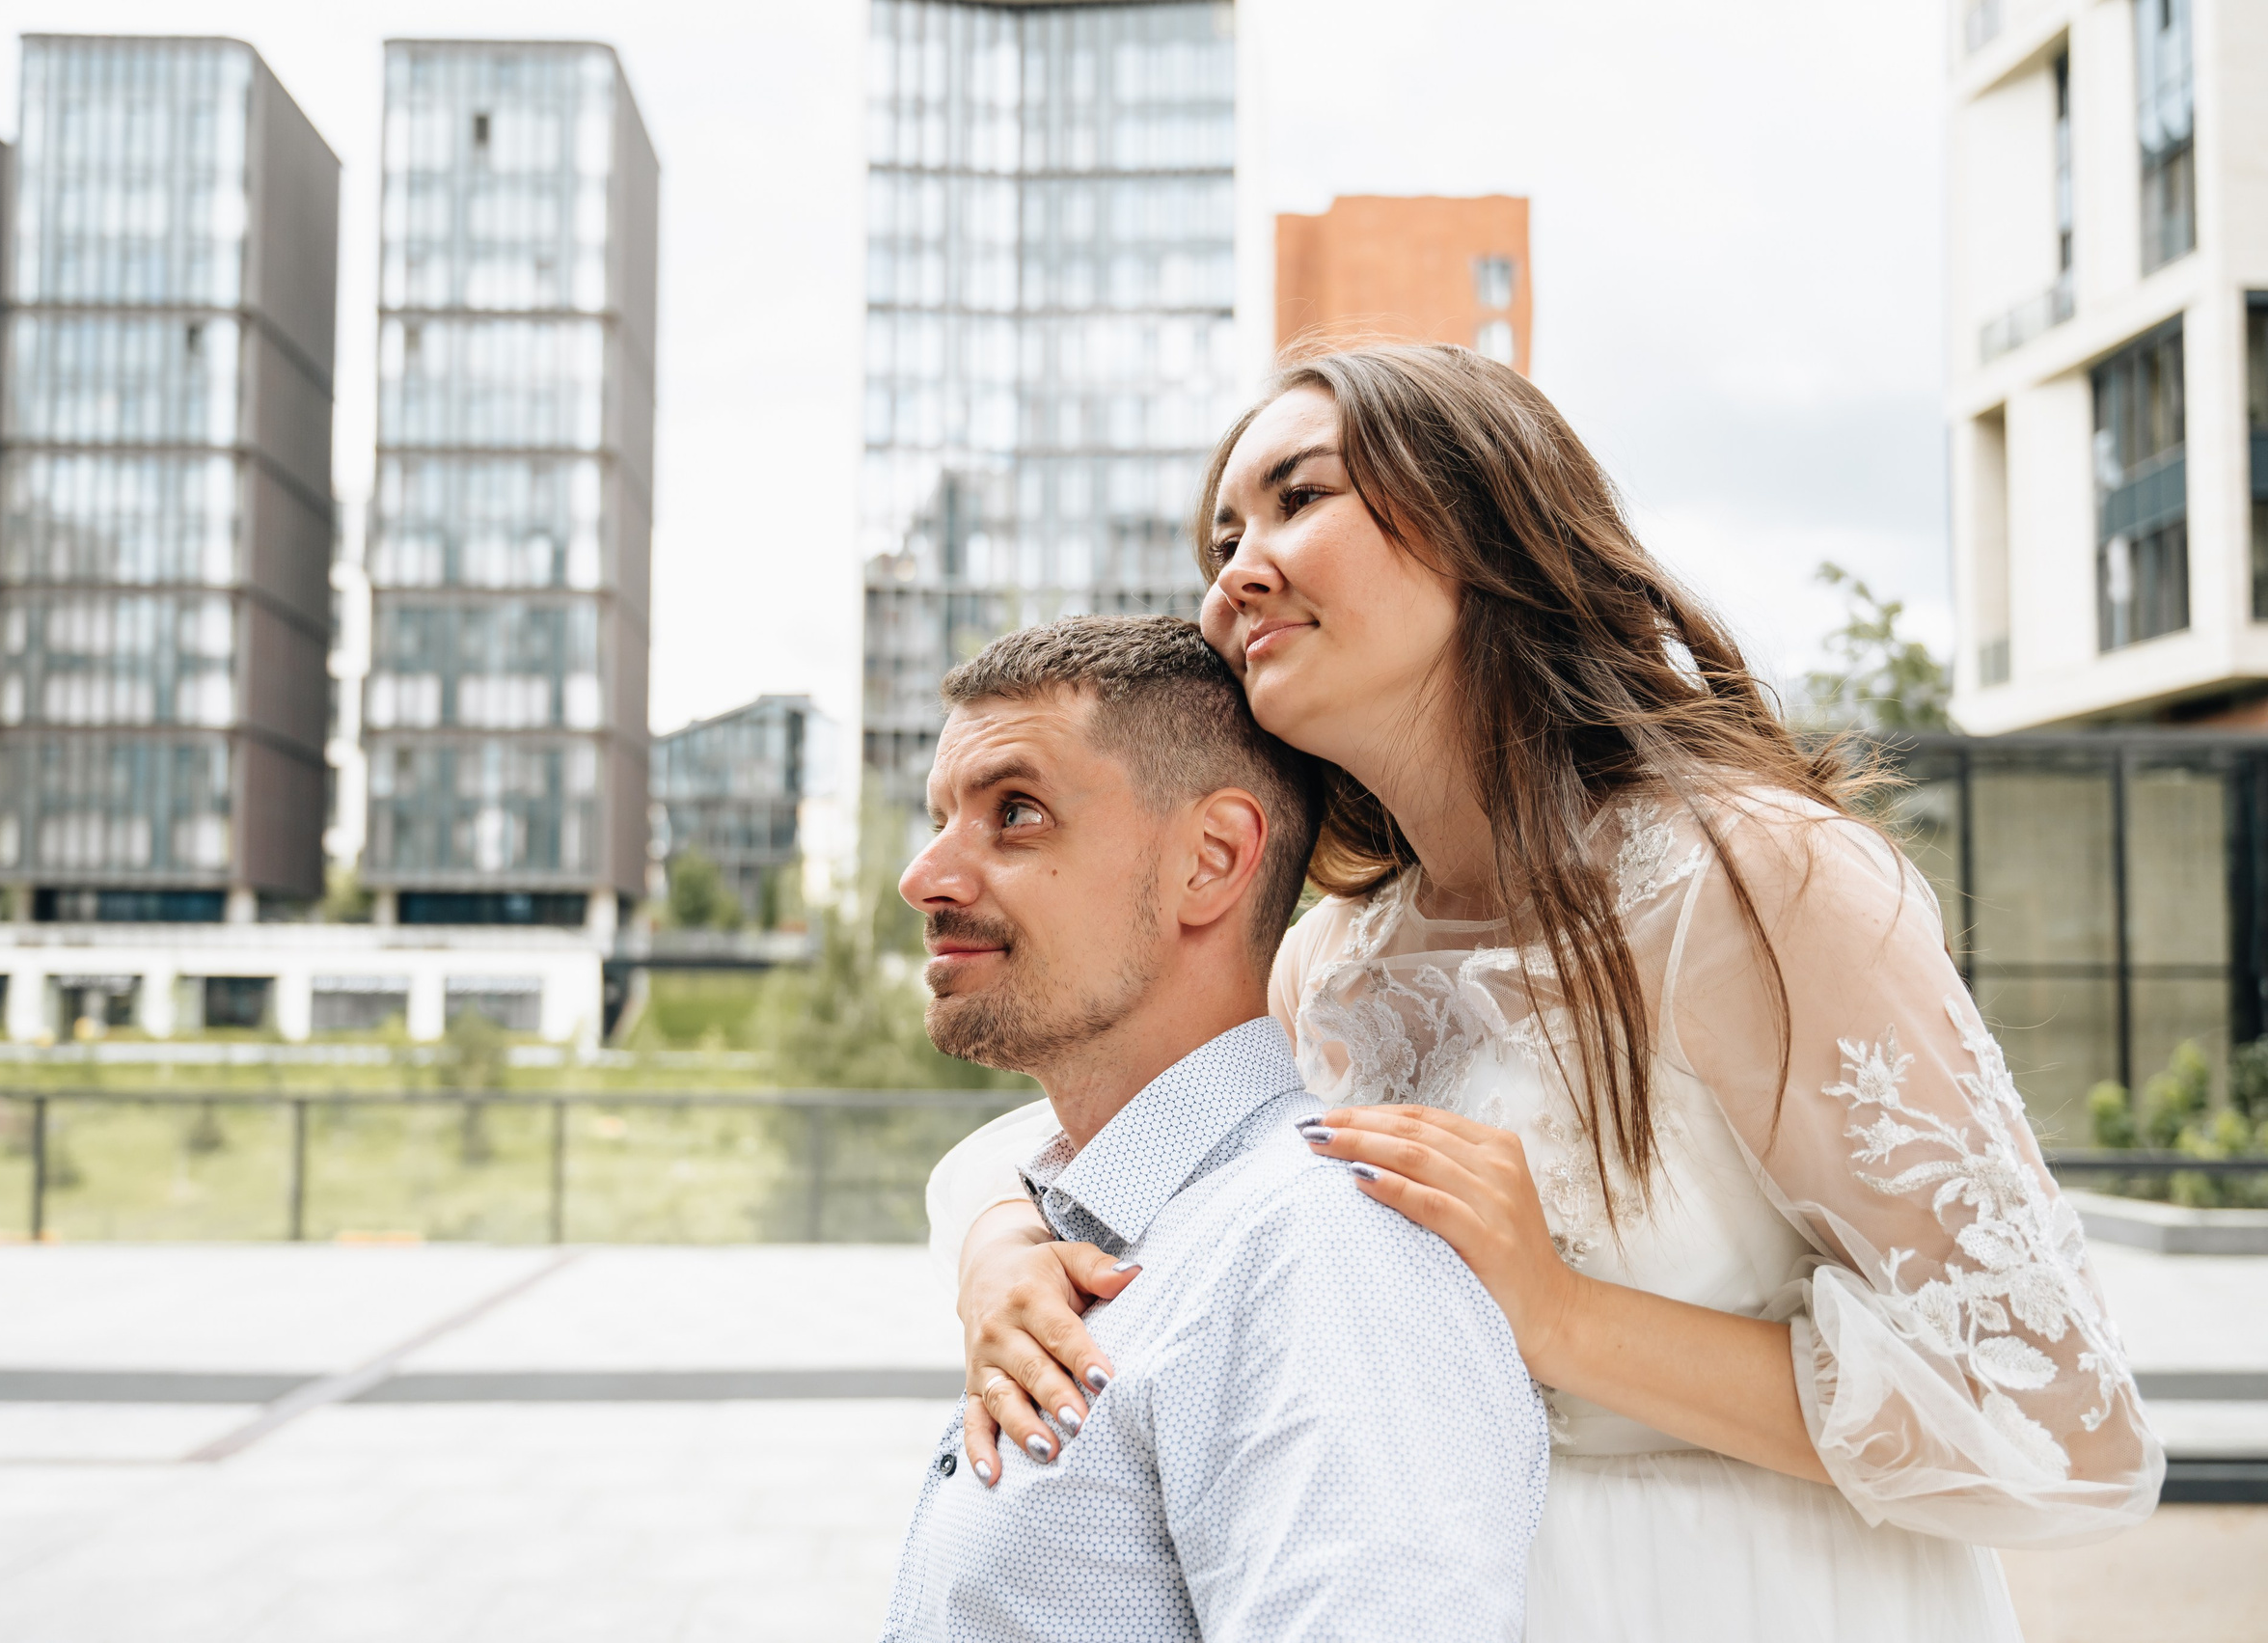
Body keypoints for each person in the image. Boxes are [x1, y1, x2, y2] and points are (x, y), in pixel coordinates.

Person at [926, 345, 2163, 1642]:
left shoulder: (1753, 883)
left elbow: (2061, 1417)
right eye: (1223, 538)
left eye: (1300, 498)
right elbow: (1093, 1141)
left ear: (1482, 519)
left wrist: (1565, 1314)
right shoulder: (1331, 964)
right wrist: (998, 1251)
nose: (1237, 572)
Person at [880, 615, 1549, 1643]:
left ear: (1212, 857)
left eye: (1014, 813)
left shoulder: (1321, 1258)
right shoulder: (1095, 1224)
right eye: (939, 817)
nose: (924, 876)